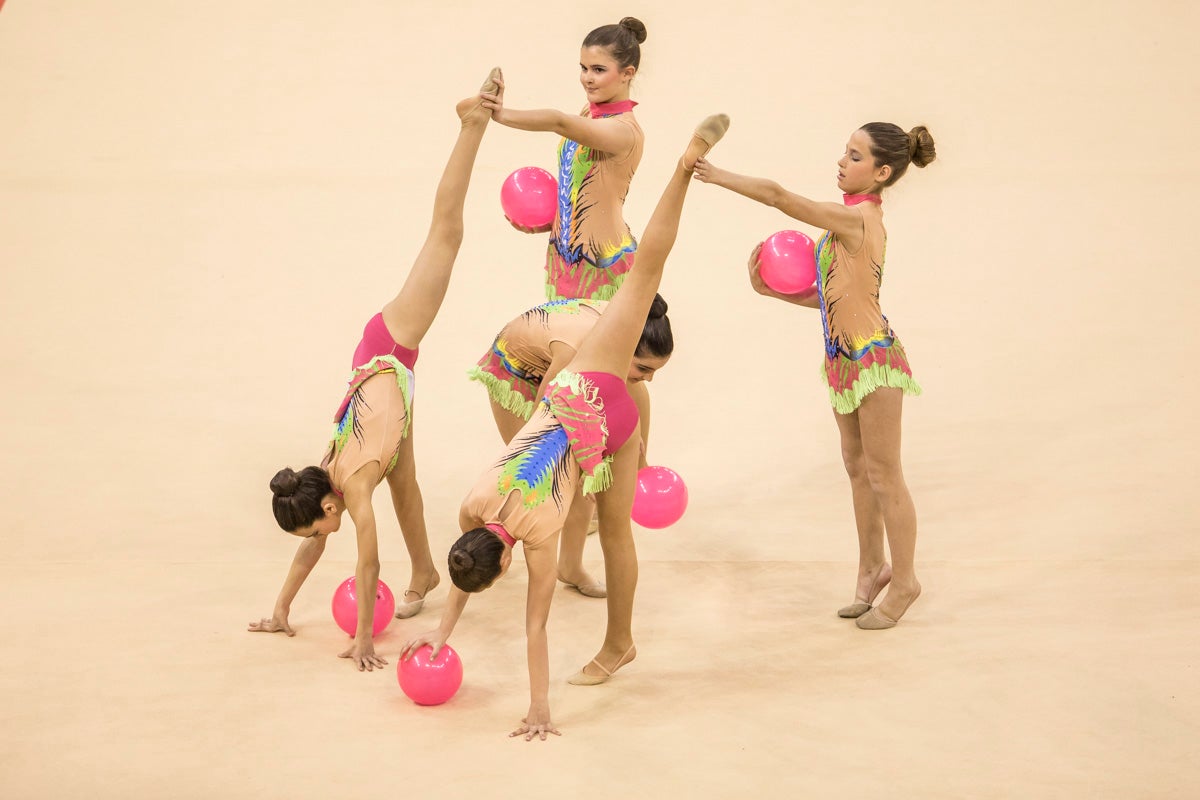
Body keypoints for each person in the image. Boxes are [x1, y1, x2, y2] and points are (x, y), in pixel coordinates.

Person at [402, 114, 730, 740]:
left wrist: (536, 709)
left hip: (601, 417)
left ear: (507, 565)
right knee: (650, 265)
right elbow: (464, 566)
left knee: (608, 525)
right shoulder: (475, 501)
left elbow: (534, 628)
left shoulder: (542, 538)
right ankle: (686, 165)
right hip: (585, 396)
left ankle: (619, 644)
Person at [247, 69, 501, 670]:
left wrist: (363, 637)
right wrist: (282, 608)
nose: (314, 543)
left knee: (447, 232)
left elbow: (365, 562)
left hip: (391, 343)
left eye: (313, 531)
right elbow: (312, 551)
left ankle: (472, 124)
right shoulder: (325, 480)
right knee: (405, 486)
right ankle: (425, 572)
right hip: (395, 394)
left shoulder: (351, 489)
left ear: (327, 511)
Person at [693, 122, 936, 629]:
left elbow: (781, 197)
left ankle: (907, 580)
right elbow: (832, 298)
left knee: (885, 474)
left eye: (854, 156)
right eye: (844, 153)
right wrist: (775, 293)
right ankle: (872, 568)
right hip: (843, 360)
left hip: (874, 361)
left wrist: (715, 175)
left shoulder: (859, 219)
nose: (842, 163)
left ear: (881, 172)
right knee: (856, 466)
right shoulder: (841, 225)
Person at [484, 18, 658, 469]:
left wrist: (500, 114)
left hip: (606, 270)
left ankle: (632, 468)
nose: (587, 78)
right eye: (583, 67)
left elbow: (557, 121)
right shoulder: (590, 116)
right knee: (580, 367)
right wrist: (550, 225)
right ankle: (582, 467)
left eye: (599, 69)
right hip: (566, 263)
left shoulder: (623, 130)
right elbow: (583, 189)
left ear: (628, 72)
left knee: (619, 370)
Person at [467, 294, 674, 598]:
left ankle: (570, 566)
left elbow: (637, 393)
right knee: (561, 479)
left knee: (586, 481)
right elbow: (543, 419)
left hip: (553, 358)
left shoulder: (630, 327)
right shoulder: (577, 350)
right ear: (626, 347)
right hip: (515, 366)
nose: (650, 378)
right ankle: (489, 549)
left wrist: (639, 459)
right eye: (644, 368)